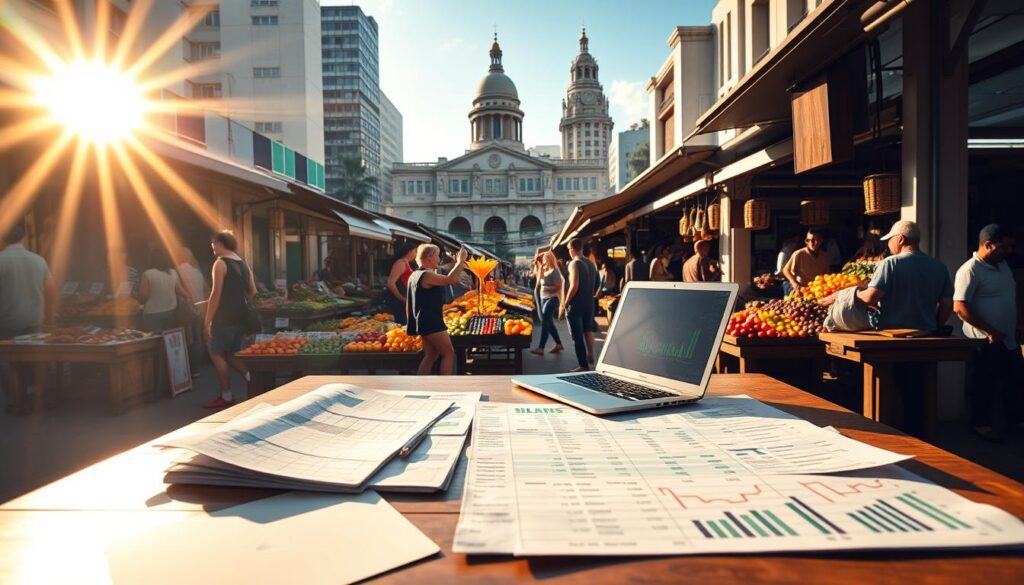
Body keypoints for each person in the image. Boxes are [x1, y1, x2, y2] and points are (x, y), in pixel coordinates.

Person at [953, 224, 1021, 442]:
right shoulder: (970, 269)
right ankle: (981, 425)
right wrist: (990, 330)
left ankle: (1015, 422)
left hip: (1008, 338)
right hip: (983, 339)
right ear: (988, 245)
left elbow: (1010, 296)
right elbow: (960, 306)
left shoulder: (1003, 266)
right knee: (984, 383)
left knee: (1014, 381)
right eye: (1004, 247)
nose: (1008, 252)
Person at [856, 220, 953, 332]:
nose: (888, 244)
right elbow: (947, 305)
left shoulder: (890, 263)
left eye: (890, 240)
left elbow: (870, 297)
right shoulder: (939, 267)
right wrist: (934, 326)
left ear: (901, 239)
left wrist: (853, 294)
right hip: (926, 335)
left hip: (893, 335)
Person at [0, 223, 55, 411]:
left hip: (6, 323)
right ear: (23, 238)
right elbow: (50, 291)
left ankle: (16, 402)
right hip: (34, 321)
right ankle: (41, 400)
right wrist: (48, 319)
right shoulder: (38, 260)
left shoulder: (1, 260)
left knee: (9, 363)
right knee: (37, 361)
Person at [203, 230, 257, 409]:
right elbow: (253, 291)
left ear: (221, 243)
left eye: (213, 244)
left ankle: (226, 395)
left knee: (216, 353)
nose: (212, 247)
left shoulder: (220, 263)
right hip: (240, 317)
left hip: (223, 317)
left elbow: (215, 293)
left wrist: (208, 320)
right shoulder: (243, 263)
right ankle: (252, 379)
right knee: (232, 354)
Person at [407, 244, 469, 375]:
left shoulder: (414, 275)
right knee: (448, 353)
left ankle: (421, 384)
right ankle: (444, 386)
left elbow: (409, 303)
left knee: (431, 355)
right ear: (429, 257)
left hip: (423, 321)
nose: (439, 259)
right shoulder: (426, 275)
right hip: (432, 322)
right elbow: (449, 280)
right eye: (437, 255)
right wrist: (460, 261)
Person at [560, 238, 598, 372]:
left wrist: (566, 302)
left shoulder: (574, 263)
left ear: (572, 249)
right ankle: (591, 353)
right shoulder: (591, 263)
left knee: (577, 336)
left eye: (569, 249)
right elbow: (596, 284)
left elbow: (574, 286)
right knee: (588, 330)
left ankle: (583, 365)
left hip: (576, 305)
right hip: (589, 303)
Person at [138, 248, 188, 334]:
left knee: (154, 341)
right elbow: (181, 291)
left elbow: (144, 296)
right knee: (169, 341)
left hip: (152, 314)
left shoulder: (148, 274)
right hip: (171, 313)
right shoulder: (172, 272)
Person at [176, 247, 207, 378]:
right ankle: (196, 369)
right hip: (199, 307)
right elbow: (206, 289)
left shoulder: (177, 271)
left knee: (186, 339)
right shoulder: (198, 272)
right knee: (197, 338)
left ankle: (185, 369)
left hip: (185, 309)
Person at [530, 251, 565, 356]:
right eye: (543, 259)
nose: (544, 261)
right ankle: (559, 344)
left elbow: (558, 286)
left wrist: (546, 288)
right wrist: (539, 267)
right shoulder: (545, 270)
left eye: (545, 259)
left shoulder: (555, 271)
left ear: (550, 260)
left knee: (545, 320)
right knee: (549, 322)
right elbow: (538, 284)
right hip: (543, 298)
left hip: (553, 299)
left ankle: (541, 347)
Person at [783, 228, 830, 293]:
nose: (811, 243)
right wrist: (794, 283)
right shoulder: (798, 254)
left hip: (819, 291)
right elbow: (786, 270)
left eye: (814, 240)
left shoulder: (824, 256)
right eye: (808, 240)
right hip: (802, 291)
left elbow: (827, 275)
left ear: (820, 241)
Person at [386, 243, 417, 324]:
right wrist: (401, 298)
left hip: (405, 299)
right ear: (409, 252)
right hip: (400, 301)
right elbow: (390, 283)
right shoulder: (400, 263)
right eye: (415, 251)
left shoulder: (406, 263)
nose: (416, 254)